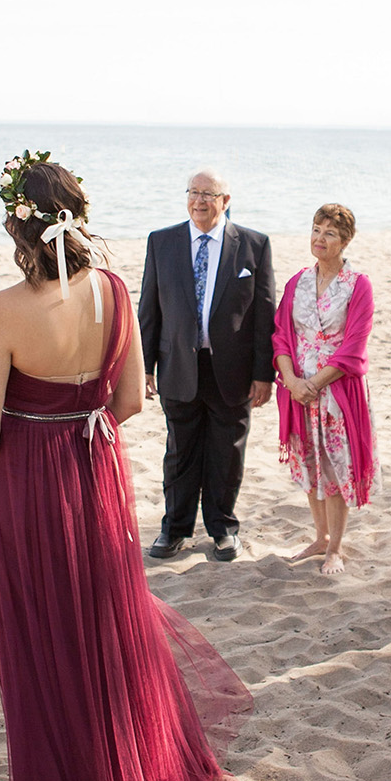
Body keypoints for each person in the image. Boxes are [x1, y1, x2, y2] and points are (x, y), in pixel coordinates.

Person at [0, 153, 251, 781]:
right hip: (95, 478)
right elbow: (127, 404)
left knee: (41, 642)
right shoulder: (115, 292)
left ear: (14, 225)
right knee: (104, 631)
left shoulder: (0, 310)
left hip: (28, 486)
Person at [138, 167, 276, 561]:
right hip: (178, 366)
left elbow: (265, 315)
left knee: (226, 455)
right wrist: (144, 367)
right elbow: (149, 309)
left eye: (208, 195)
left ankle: (223, 529)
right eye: (193, 192)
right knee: (179, 454)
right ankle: (175, 529)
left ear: (225, 201)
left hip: (232, 372)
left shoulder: (254, 245)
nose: (199, 201)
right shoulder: (162, 242)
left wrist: (263, 374)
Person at [274, 203, 378, 576]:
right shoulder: (297, 281)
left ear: (346, 241)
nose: (319, 238)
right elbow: (281, 335)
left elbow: (355, 344)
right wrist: (291, 381)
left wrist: (314, 384)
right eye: (316, 230)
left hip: (336, 392)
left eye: (330, 233)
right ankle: (318, 537)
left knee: (336, 467)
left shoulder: (358, 285)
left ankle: (335, 546)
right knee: (308, 463)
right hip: (297, 388)